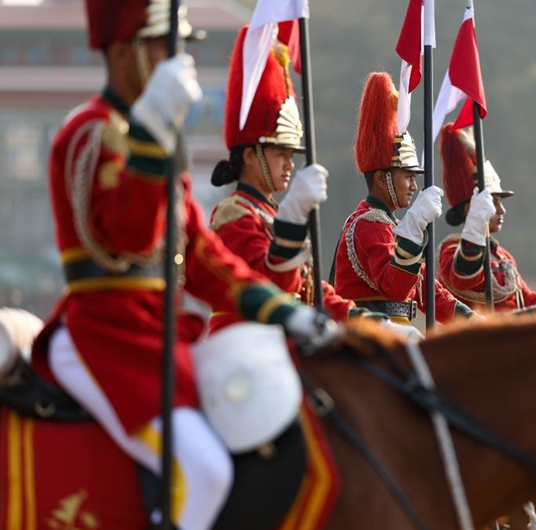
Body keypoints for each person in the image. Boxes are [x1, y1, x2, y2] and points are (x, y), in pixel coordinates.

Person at [30, 2, 337, 529]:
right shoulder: (87, 131)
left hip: (155, 336)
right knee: (202, 471)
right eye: (161, 46)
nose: (177, 58)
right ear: (123, 53)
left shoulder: (158, 144)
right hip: (102, 335)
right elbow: (123, 239)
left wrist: (285, 312)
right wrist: (151, 130)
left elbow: (204, 259)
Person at [207, 30, 418, 339]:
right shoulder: (234, 215)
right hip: (242, 342)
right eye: (281, 154)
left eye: (291, 154)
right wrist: (292, 223)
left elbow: (311, 290)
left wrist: (369, 323)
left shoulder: (268, 211)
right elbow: (272, 286)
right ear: (250, 156)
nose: (290, 164)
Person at [331, 72, 476, 326]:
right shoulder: (369, 224)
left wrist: (471, 320)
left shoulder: (386, 225)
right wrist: (414, 227)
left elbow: (426, 290)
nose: (414, 185)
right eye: (407, 176)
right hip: (367, 338)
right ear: (380, 179)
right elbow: (395, 288)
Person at [437, 123, 536, 312]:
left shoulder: (503, 256)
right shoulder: (450, 250)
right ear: (472, 207)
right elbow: (464, 277)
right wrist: (476, 225)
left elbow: (530, 300)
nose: (502, 211)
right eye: (494, 202)